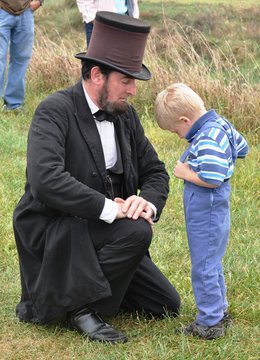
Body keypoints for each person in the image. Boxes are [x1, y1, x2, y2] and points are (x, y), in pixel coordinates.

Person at [13, 12, 181, 344]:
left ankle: (76, 297)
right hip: (57, 231)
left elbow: (155, 171)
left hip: (102, 234)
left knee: (165, 304)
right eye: (126, 81)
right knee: (135, 231)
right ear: (96, 74)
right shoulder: (53, 110)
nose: (133, 91)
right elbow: (46, 180)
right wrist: (111, 208)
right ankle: (79, 307)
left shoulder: (125, 115)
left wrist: (144, 201)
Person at [155, 83, 249, 340]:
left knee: (203, 266)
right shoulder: (222, 125)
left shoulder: (207, 137)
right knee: (212, 261)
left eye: (176, 130)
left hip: (206, 209)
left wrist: (186, 172)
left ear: (185, 119)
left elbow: (213, 178)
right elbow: (243, 147)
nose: (178, 136)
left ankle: (209, 323)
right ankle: (219, 311)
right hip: (215, 209)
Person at [0, 0, 43, 111]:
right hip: (2, 9)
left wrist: (39, 1)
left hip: (25, 12)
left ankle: (14, 105)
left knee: (21, 59)